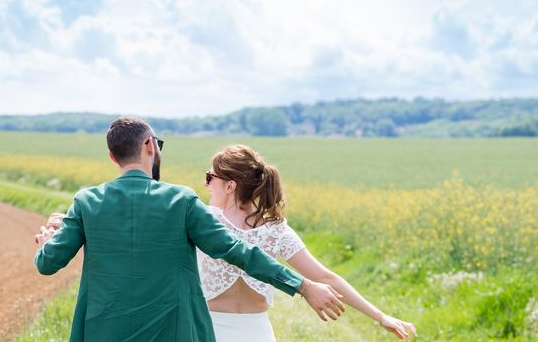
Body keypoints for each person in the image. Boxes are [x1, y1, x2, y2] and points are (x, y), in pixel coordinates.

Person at [34, 117, 345, 342]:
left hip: (102, 332)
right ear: (149, 147)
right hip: (172, 332)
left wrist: (48, 242)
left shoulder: (86, 202)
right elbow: (238, 251)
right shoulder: (180, 201)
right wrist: (301, 285)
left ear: (112, 156)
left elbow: (48, 264)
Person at [198, 144, 418, 342]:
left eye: (210, 177)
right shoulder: (275, 230)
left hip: (210, 331)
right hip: (258, 334)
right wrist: (380, 316)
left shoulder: (204, 222)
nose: (205, 184)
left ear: (230, 186)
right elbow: (325, 276)